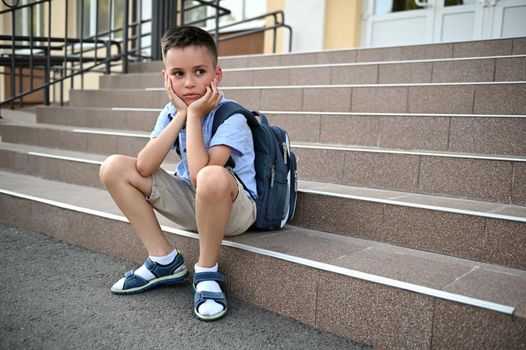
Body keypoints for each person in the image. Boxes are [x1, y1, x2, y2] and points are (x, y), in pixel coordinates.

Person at [99, 25, 257, 321]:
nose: (189, 84)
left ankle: (207, 272)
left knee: (210, 175)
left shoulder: (232, 117)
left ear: (217, 75)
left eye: (199, 72)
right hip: (195, 202)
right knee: (114, 167)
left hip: (236, 211)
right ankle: (164, 260)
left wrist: (195, 115)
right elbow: (144, 166)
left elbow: (201, 175)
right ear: (166, 78)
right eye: (178, 74)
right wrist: (182, 115)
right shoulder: (172, 111)